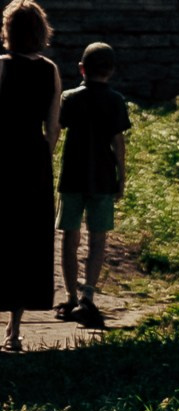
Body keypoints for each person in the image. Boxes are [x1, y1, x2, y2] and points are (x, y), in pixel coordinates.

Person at [0, 2, 60, 353]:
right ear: (41, 31)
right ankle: (15, 329)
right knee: (28, 240)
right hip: (34, 159)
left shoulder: (1, 66)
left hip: (2, 156)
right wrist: (41, 158)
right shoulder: (50, 69)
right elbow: (52, 128)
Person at [55, 44, 127, 329]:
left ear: (81, 68)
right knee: (97, 239)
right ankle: (88, 297)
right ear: (111, 71)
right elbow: (118, 144)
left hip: (72, 176)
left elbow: (58, 130)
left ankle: (70, 296)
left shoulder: (69, 98)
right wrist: (122, 177)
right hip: (103, 178)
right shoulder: (115, 100)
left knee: (68, 239)